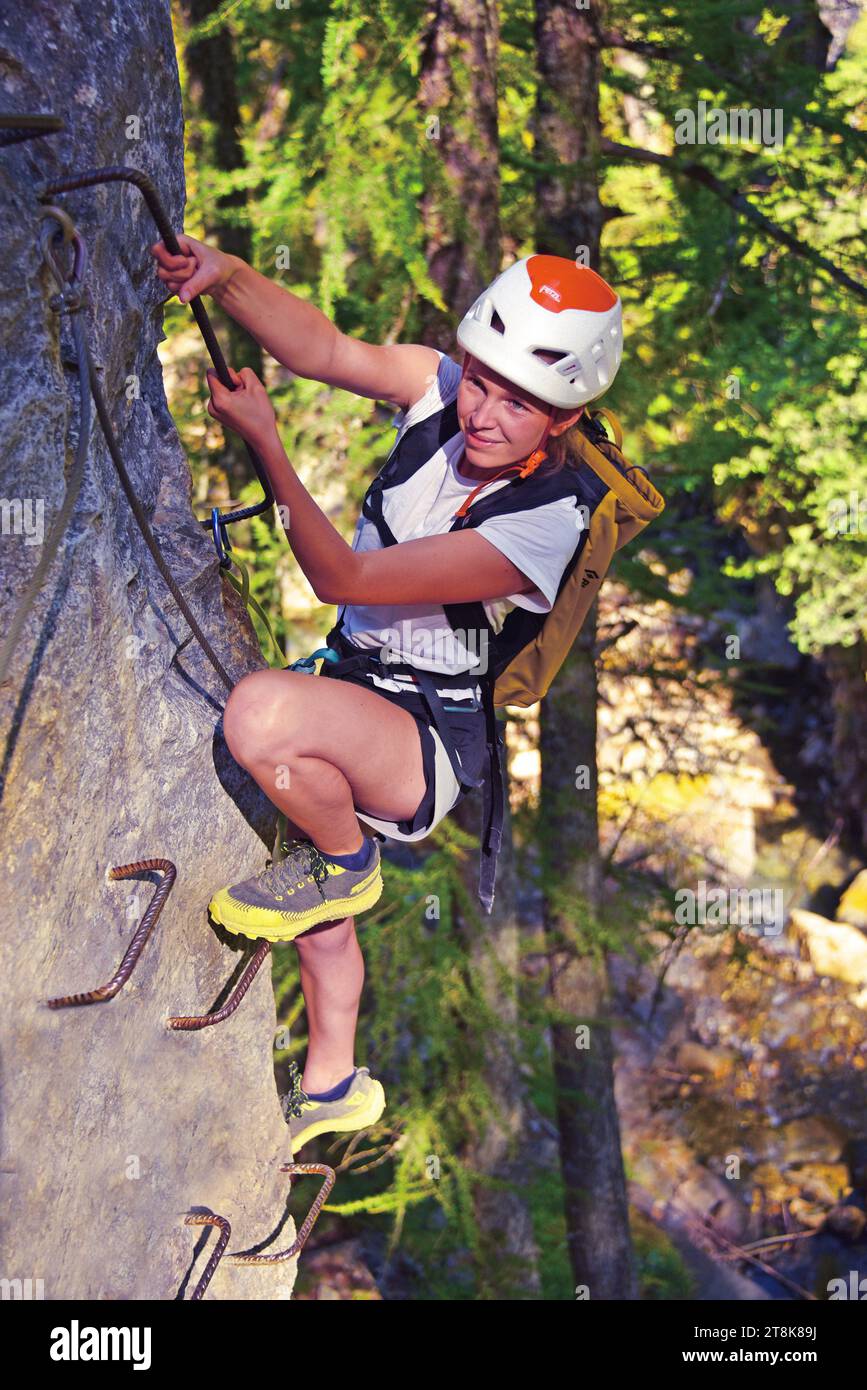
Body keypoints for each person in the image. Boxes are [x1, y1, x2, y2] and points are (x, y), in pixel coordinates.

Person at [150, 238, 622, 1150]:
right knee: (313, 902)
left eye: (519, 404)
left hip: (423, 738)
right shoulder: (441, 389)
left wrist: (269, 449)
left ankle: (349, 861)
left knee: (261, 716)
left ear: (565, 419)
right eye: (481, 382)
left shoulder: (541, 526)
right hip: (356, 686)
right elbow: (323, 350)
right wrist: (227, 278)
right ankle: (334, 1082)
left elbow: (344, 578)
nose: (483, 411)